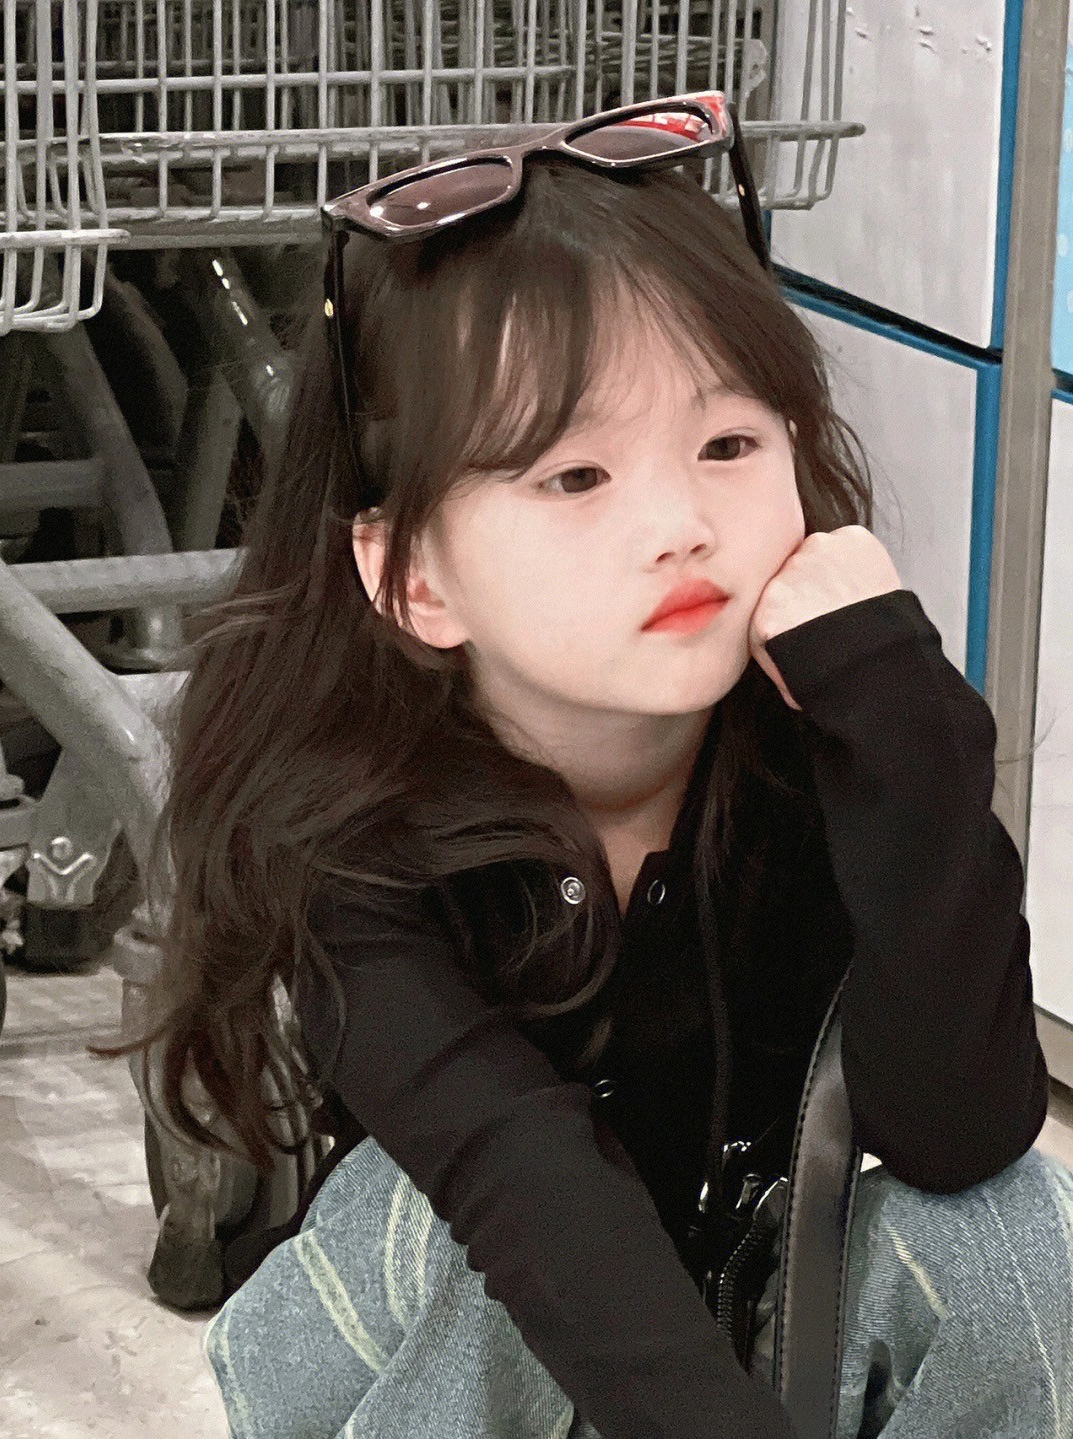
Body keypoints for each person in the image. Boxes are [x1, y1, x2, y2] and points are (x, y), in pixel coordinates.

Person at [113, 98, 1071, 1439]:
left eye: (728, 446)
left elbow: (956, 1128)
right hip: (446, 1345)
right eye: (574, 478)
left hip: (731, 1303)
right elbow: (529, 1195)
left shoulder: (816, 739)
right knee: (461, 1244)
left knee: (1002, 1223)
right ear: (415, 577)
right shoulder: (348, 832)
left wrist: (909, 728)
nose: (681, 525)